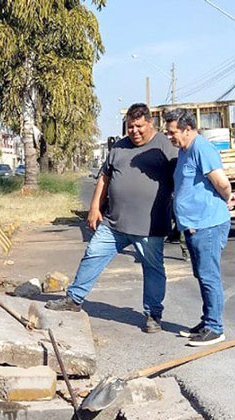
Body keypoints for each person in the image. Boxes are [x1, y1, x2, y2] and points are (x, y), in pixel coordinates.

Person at [45, 103, 177, 333]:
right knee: (93, 254)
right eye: (130, 127)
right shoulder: (119, 147)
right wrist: (94, 207)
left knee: (153, 269)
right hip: (114, 222)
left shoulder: (165, 146)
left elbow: (181, 179)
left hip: (149, 226)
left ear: (150, 123)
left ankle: (153, 314)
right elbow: (104, 178)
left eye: (139, 126)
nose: (134, 131)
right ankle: (74, 299)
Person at [163, 108, 235, 347]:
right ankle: (207, 321)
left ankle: (215, 328)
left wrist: (227, 198)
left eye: (172, 132)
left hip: (208, 225)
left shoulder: (201, 148)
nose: (169, 136)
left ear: (187, 129)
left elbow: (221, 183)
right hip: (193, 225)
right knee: (201, 275)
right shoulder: (185, 151)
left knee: (209, 276)